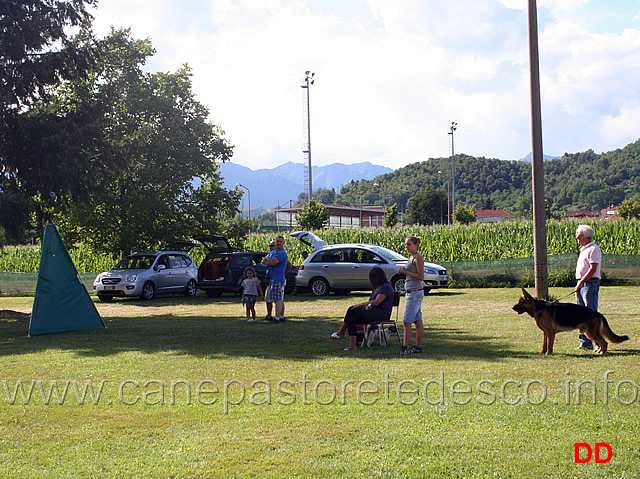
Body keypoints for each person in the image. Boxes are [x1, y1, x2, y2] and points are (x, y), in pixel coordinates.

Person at [329, 266, 395, 351]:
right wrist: (368, 306)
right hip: (372, 312)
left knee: (353, 310)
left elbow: (377, 302)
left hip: (381, 314)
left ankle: (341, 332)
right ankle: (352, 346)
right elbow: (371, 303)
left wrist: (361, 304)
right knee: (351, 318)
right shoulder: (375, 289)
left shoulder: (386, 287)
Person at [574, 224, 602, 350]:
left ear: (582, 236)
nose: (576, 237)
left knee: (591, 314)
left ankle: (598, 342)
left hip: (589, 284)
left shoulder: (593, 249)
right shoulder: (584, 249)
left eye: (578, 235)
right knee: (580, 314)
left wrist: (581, 282)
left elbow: (592, 269)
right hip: (582, 282)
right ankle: (585, 342)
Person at [397, 236, 425, 355]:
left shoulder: (418, 258)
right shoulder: (411, 257)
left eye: (409, 244)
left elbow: (420, 276)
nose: (406, 247)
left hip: (415, 292)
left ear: (416, 245)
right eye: (405, 244)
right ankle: (417, 346)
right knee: (417, 320)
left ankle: (405, 347)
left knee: (406, 321)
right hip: (411, 292)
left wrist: (405, 271)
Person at [262, 235, 289, 323]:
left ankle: (277, 318)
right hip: (272, 278)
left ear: (283, 243)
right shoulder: (273, 253)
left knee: (277, 300)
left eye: (280, 241)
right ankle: (281, 316)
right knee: (278, 299)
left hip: (277, 278)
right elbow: (264, 260)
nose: (278, 243)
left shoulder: (282, 253)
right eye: (277, 241)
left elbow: (273, 262)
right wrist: (268, 261)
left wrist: (269, 261)